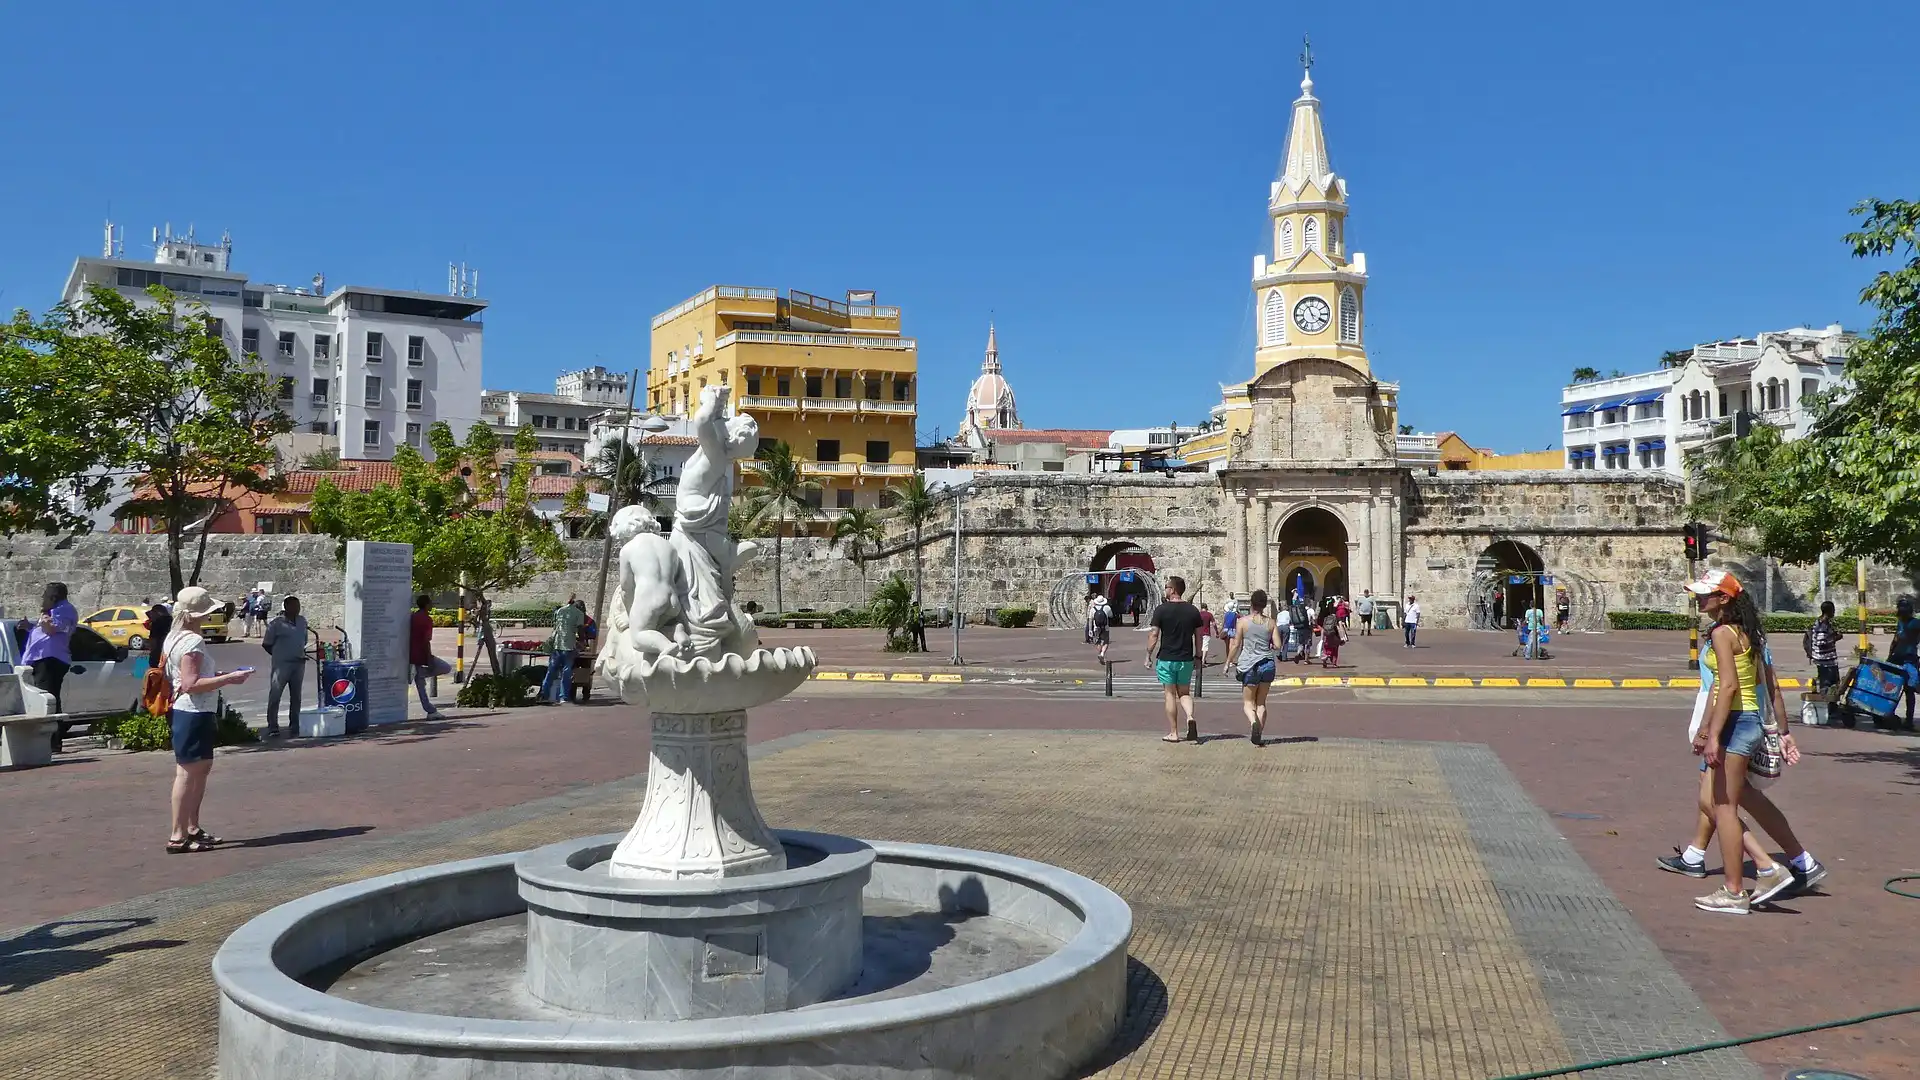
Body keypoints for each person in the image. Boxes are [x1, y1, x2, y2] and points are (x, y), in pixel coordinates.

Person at [1677, 569, 1824, 913]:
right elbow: (1737, 683)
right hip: (1747, 720)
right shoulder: (1748, 633)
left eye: (1705, 594)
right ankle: (1767, 868)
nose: (1699, 599)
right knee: (1723, 803)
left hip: (1734, 722)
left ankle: (1739, 887)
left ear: (1724, 599)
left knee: (1723, 808)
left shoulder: (1721, 634)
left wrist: (1712, 734)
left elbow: (1726, 686)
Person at [163, 586, 251, 853]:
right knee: (188, 773)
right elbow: (191, 684)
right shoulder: (192, 641)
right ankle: (178, 836)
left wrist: (219, 674)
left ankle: (192, 828)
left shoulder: (174, 637)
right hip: (193, 711)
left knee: (199, 770)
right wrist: (229, 678)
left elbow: (185, 676)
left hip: (189, 710)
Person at [1145, 575, 1204, 743]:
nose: (1165, 590)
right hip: (1186, 658)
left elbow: (1154, 634)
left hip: (1167, 658)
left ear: (1173, 590)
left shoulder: (1161, 610)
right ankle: (1190, 716)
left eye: (1166, 587)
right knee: (1184, 693)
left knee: (1170, 694)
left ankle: (1174, 732)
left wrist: (1148, 654)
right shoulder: (1193, 611)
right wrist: (1198, 656)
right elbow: (1199, 636)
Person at [23, 582, 78, 752]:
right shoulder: (52, 611)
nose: (42, 598)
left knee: (48, 700)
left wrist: (47, 623)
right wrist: (29, 628)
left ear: (54, 597)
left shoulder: (64, 609)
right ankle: (48, 741)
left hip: (50, 660)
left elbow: (56, 629)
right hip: (42, 659)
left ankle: (52, 741)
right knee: (46, 699)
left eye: (45, 595)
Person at [1225, 589, 1280, 746]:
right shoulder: (1271, 622)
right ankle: (1259, 734)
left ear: (1251, 603)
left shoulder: (1242, 621)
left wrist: (1228, 662)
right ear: (1264, 605)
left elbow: (1235, 645)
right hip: (1268, 664)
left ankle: (1253, 722)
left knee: (1248, 703)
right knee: (1261, 702)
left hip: (1250, 665)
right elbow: (1277, 645)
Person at [260, 596, 310, 737]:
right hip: (282, 665)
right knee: (275, 695)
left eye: (298, 605)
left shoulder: (302, 621)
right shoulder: (276, 624)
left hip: (299, 663)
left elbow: (304, 640)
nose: (297, 608)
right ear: (286, 607)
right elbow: (266, 644)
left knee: (296, 696)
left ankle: (294, 724)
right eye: (294, 606)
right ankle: (272, 726)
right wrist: (279, 655)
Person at [540, 597, 589, 705]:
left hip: (557, 645)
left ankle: (544, 694)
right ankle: (563, 697)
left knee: (551, 671)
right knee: (566, 673)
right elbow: (580, 631)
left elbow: (556, 627)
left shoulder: (559, 611)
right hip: (569, 646)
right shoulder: (578, 614)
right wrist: (582, 643)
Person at [409, 595, 450, 718]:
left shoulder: (413, 617)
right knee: (445, 668)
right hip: (421, 654)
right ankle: (421, 673)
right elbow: (426, 641)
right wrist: (429, 658)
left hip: (410, 654)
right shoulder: (427, 619)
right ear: (427, 605)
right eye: (431, 603)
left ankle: (430, 710)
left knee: (420, 685)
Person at [1887, 596, 1920, 730]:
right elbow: (1895, 639)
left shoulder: (1916, 623)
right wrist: (1890, 656)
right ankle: (1888, 714)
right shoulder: (1900, 622)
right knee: (1890, 687)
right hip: (1898, 658)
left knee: (1910, 689)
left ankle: (1909, 720)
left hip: (1909, 659)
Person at [1806, 601, 1841, 692]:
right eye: (1833, 610)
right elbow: (1821, 643)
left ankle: (1829, 703)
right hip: (1825, 661)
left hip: (1826, 660)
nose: (1834, 612)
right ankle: (1827, 704)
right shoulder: (1822, 625)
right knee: (1828, 686)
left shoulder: (1821, 622)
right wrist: (1836, 638)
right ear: (1828, 611)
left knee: (1832, 685)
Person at [144, 599, 173, 669]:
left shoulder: (157, 623)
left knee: (156, 675)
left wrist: (150, 647)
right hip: (170, 654)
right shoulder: (171, 620)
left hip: (158, 654)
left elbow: (153, 640)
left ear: (157, 613)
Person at [1089, 593, 1113, 662]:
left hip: (1096, 628)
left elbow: (1090, 619)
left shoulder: (1093, 609)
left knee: (1098, 642)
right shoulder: (1107, 607)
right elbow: (1111, 616)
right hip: (1105, 627)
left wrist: (1090, 630)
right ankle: (1102, 654)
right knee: (1106, 642)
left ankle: (1099, 653)